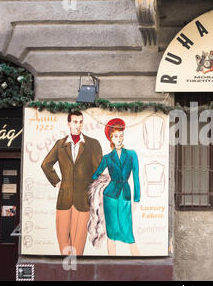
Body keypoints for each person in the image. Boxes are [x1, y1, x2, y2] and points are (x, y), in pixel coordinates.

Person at [41, 110, 102, 255]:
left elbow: (98, 171)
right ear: (69, 123)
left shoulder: (92, 144)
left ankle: (76, 273)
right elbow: (46, 164)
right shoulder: (61, 144)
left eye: (81, 122)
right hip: (64, 199)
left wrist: (91, 192)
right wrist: (57, 182)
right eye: (75, 122)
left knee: (78, 243)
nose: (78, 125)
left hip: (82, 200)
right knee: (63, 240)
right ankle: (66, 272)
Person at [90, 118, 141, 256]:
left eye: (121, 135)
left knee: (128, 232)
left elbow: (136, 177)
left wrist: (136, 199)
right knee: (111, 233)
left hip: (125, 194)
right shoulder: (107, 158)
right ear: (111, 138)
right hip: (109, 197)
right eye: (116, 136)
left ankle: (137, 261)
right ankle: (111, 263)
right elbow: (95, 175)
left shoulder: (131, 155)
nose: (119, 139)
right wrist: (105, 181)